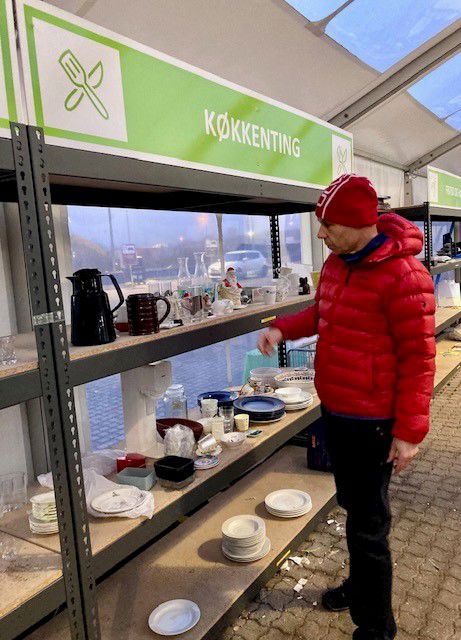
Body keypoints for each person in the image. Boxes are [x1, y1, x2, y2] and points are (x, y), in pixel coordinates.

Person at [258, 174, 436, 640]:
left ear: (359, 222)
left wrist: (409, 432)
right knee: (354, 510)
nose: (321, 234)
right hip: (337, 411)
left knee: (369, 526)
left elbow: (419, 358)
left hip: (374, 422)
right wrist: (282, 328)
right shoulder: (338, 263)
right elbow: (321, 312)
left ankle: (376, 628)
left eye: (329, 225)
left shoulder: (404, 275)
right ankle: (360, 589)